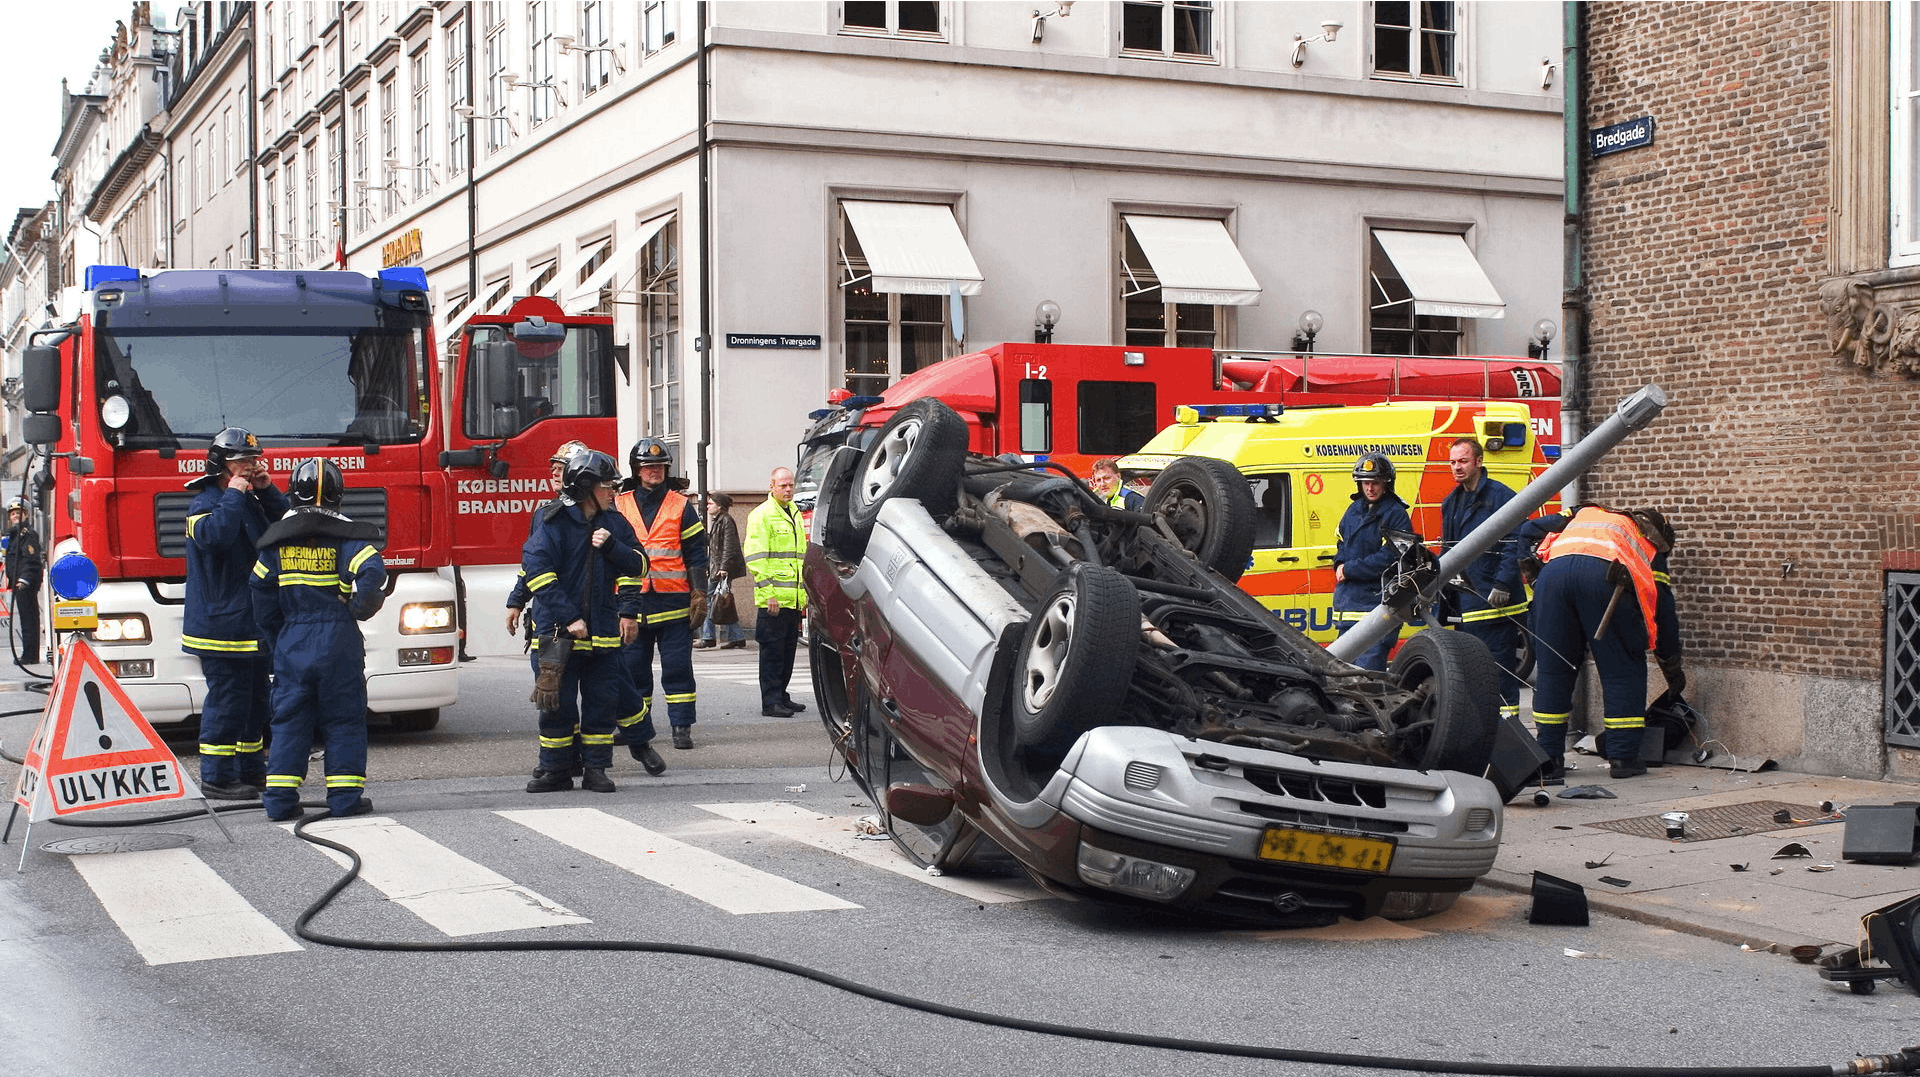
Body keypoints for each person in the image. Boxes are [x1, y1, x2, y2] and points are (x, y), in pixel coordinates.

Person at [250, 460, 386, 822]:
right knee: (343, 719)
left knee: (289, 720)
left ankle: (279, 801)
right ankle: (344, 800)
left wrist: (279, 635)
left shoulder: (278, 539)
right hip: (337, 638)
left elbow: (260, 590)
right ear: (339, 496)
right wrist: (358, 608)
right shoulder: (348, 537)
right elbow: (373, 575)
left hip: (293, 638)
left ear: (293, 492)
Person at [521, 449, 647, 793]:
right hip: (559, 633)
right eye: (608, 486)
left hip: (603, 635)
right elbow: (537, 572)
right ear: (587, 486)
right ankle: (555, 771)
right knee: (556, 705)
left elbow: (640, 566)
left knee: (600, 705)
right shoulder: (553, 521)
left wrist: (612, 549)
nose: (613, 493)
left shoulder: (615, 523)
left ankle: (596, 770)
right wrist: (570, 617)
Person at [1526, 504, 1672, 780]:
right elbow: (1663, 611)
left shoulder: (1586, 515)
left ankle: (1548, 760)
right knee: (1622, 669)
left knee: (1554, 671)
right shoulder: (1649, 541)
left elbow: (1526, 529)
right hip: (1603, 580)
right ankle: (1623, 757)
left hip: (1551, 578)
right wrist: (1671, 662)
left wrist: (1533, 575)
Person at [184, 427, 289, 799]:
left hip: (254, 624)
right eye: (242, 462)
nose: (249, 467)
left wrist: (267, 489)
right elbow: (218, 538)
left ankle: (250, 770)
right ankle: (216, 777)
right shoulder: (205, 505)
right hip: (220, 627)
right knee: (227, 702)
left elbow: (289, 526)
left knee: (257, 702)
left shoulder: (250, 499)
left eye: (253, 460)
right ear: (220, 466)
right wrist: (234, 493)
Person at [613, 438, 707, 755]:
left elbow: (696, 553)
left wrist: (700, 592)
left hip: (674, 603)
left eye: (659, 466)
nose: (654, 471)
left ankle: (682, 728)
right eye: (648, 466)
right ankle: (637, 728)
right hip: (632, 603)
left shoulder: (681, 506)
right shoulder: (619, 503)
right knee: (633, 670)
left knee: (678, 668)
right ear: (637, 469)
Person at [1439, 437, 1528, 725]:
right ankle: (1483, 725)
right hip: (1465, 601)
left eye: (1463, 461)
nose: (1457, 467)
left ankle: (1510, 729)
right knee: (1473, 671)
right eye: (1452, 462)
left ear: (1479, 461)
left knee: (1500, 670)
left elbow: (1515, 543)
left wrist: (1502, 583)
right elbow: (1448, 549)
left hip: (1494, 600)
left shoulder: (1502, 497)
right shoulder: (1451, 502)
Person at [1330, 453, 1414, 671]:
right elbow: (1341, 542)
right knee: (1343, 676)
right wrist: (1339, 563)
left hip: (1377, 607)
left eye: (1375, 483)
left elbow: (1391, 558)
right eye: (1365, 483)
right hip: (1348, 608)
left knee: (1368, 677)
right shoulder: (1353, 510)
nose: (1370, 488)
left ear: (1386, 484)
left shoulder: (1396, 515)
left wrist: (1349, 569)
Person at [745, 466, 806, 718]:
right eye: (783, 485)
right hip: (773, 600)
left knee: (788, 651)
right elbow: (756, 558)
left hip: (792, 598)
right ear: (772, 486)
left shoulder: (794, 512)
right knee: (772, 653)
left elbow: (800, 558)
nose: (788, 489)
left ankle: (781, 695)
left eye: (791, 484)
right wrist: (768, 592)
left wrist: (805, 594)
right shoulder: (762, 515)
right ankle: (770, 702)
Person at [696, 491, 749, 650]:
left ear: (719, 506)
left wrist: (724, 568)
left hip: (721, 569)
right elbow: (713, 543)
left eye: (711, 503)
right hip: (717, 568)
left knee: (710, 600)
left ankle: (708, 637)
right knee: (723, 602)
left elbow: (729, 546)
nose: (707, 506)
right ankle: (737, 637)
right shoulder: (719, 520)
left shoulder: (726, 520)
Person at [3, 496, 43, 666]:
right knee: (26, 620)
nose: (15, 516)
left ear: (26, 514)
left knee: (29, 621)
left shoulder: (28, 535)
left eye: (19, 513)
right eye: (13, 513)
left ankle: (30, 656)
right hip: (19, 584)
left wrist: (23, 580)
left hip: (25, 584)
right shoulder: (13, 535)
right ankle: (28, 653)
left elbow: (31, 560)